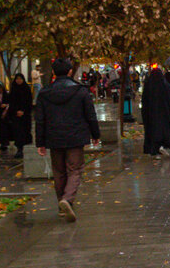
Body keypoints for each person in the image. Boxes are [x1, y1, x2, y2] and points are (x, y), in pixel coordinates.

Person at [35, 57, 101, 222]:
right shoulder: (80, 91)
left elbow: (40, 119)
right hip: (75, 136)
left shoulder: (44, 93)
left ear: (53, 72)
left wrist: (40, 142)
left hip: (54, 136)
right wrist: (95, 134)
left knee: (59, 172)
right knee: (75, 169)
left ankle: (62, 205)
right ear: (70, 71)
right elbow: (90, 115)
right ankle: (68, 199)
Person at [142, 66, 170, 158]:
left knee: (153, 131)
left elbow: (144, 101)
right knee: (164, 130)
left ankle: (155, 149)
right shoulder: (164, 85)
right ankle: (163, 145)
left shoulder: (148, 86)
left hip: (152, 115)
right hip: (164, 114)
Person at [7, 73, 34, 157]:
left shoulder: (26, 89)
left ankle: (24, 148)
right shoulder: (13, 89)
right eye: (17, 79)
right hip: (15, 116)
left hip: (25, 116)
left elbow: (29, 102)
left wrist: (23, 111)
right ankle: (19, 149)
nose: (19, 81)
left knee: (24, 132)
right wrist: (16, 111)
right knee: (17, 132)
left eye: (20, 79)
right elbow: (11, 102)